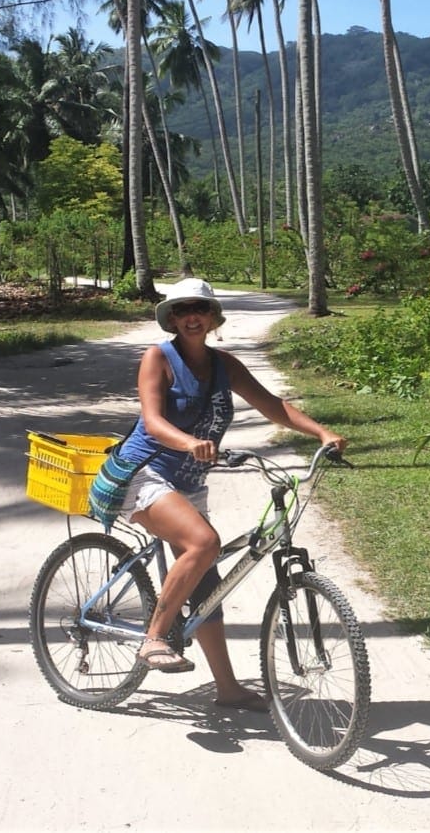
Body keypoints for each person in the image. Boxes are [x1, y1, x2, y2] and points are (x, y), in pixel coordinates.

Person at [116, 278, 346, 712]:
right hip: (144, 473)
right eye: (182, 310)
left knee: (207, 588)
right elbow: (152, 422)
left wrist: (321, 432)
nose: (192, 317)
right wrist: (188, 442)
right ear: (171, 319)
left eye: (200, 309)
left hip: (188, 482)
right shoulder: (157, 358)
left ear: (213, 317)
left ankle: (228, 689)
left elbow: (272, 405)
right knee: (204, 543)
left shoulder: (225, 365)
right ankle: (154, 638)